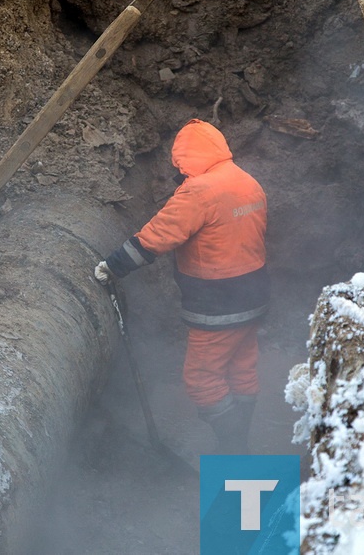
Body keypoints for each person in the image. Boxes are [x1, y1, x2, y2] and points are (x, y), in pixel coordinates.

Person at [94, 119, 269, 455]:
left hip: (218, 305)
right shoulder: (247, 182)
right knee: (242, 368)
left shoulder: (199, 191)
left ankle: (233, 449)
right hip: (255, 295)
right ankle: (243, 440)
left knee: (202, 381)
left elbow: (158, 236)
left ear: (185, 157)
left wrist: (112, 267)